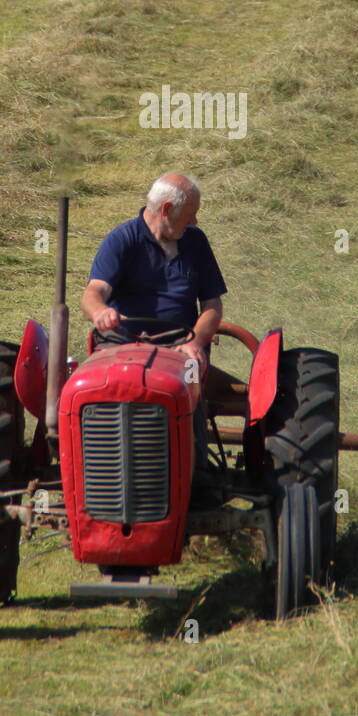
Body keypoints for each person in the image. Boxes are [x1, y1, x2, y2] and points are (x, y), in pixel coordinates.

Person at [81, 172, 227, 499]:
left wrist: (196, 342)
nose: (195, 220)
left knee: (189, 380)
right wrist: (99, 312)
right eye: (190, 214)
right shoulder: (122, 239)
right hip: (123, 344)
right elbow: (93, 292)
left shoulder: (196, 241)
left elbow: (213, 305)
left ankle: (196, 475)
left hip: (180, 346)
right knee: (111, 387)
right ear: (165, 209)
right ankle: (100, 476)